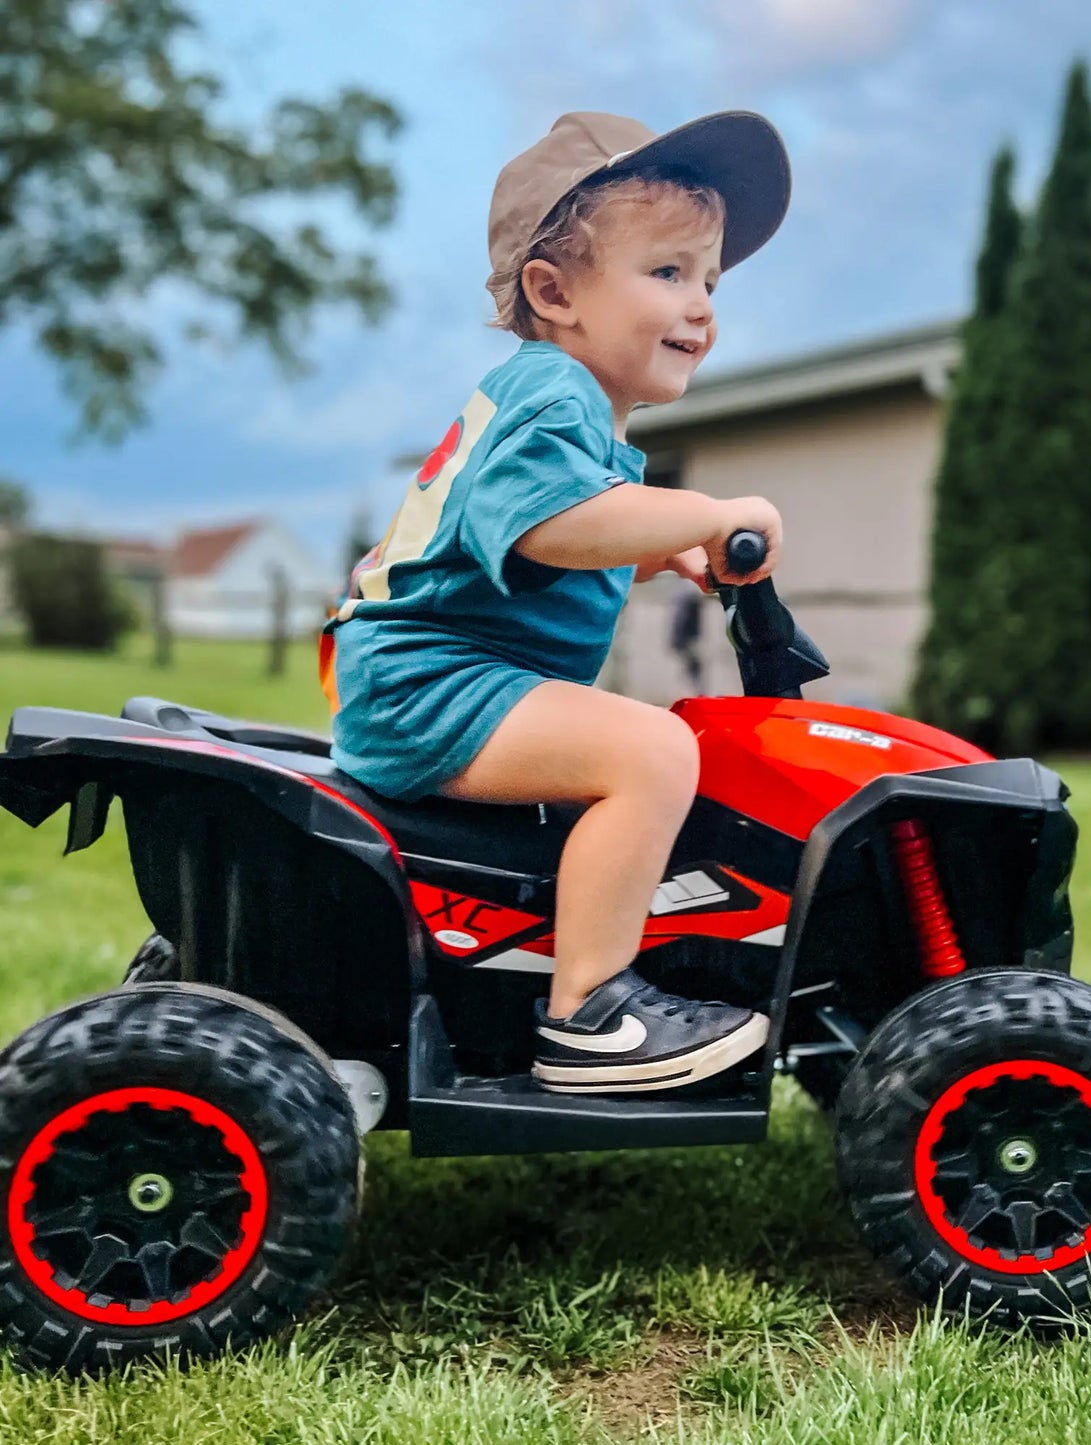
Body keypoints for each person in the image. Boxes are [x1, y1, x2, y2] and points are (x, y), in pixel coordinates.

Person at [324, 111, 790, 1094]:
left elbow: (533, 540)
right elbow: (550, 526)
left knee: (638, 748)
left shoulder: (559, 406)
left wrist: (662, 552)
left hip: (431, 677)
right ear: (553, 292)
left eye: (710, 281)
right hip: (433, 685)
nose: (700, 306)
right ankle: (589, 1014)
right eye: (667, 272)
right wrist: (707, 512)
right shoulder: (554, 394)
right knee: (654, 750)